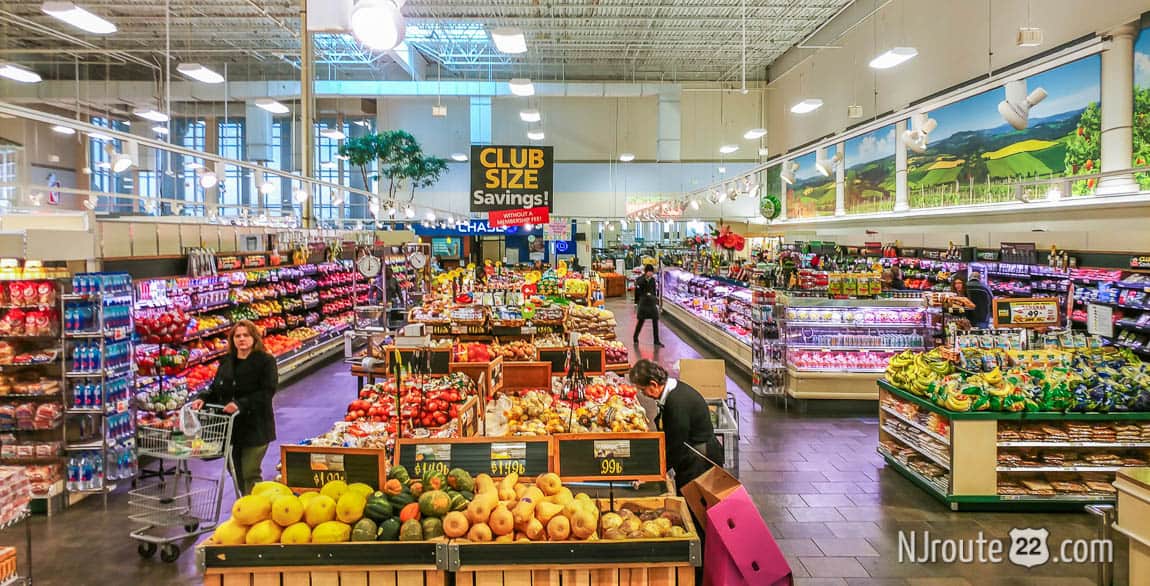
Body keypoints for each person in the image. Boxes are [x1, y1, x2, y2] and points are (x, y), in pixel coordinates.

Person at [190, 320, 279, 495]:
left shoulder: (265, 361)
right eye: (237, 336)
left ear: (254, 338)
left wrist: (240, 404)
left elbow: (267, 391)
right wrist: (203, 398)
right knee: (235, 470)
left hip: (256, 426)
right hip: (231, 428)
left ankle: (257, 509)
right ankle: (246, 506)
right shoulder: (227, 361)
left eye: (246, 335)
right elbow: (216, 388)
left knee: (250, 471)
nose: (242, 339)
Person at [628, 360, 723, 492]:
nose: (643, 395)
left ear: (654, 384)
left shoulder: (677, 403)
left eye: (643, 390)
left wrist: (653, 473)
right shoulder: (673, 390)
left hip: (700, 461)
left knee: (694, 502)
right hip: (693, 455)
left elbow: (676, 445)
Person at [633, 264, 662, 346]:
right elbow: (637, 291)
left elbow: (654, 291)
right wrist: (636, 302)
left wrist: (654, 299)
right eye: (649, 272)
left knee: (655, 319)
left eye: (652, 272)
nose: (651, 273)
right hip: (644, 303)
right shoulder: (640, 280)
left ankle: (656, 340)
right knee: (641, 321)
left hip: (651, 303)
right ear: (646, 272)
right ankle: (635, 337)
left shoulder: (653, 280)